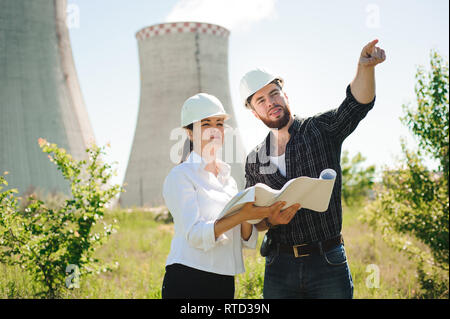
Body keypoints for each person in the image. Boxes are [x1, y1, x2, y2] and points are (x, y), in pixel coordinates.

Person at [239, 39, 386, 298]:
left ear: (285, 95)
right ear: (254, 112)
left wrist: (365, 68)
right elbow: (256, 221)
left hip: (327, 261)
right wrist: (270, 219)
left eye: (274, 93)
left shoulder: (320, 130)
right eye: (261, 100)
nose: (270, 102)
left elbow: (356, 105)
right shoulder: (254, 160)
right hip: (278, 266)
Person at [161, 93, 300, 299]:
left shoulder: (229, 180)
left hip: (224, 280)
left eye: (219, 124)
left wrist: (267, 217)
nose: (214, 130)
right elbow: (195, 234)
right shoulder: (181, 176)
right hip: (189, 278)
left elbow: (243, 239)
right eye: (206, 124)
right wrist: (242, 215)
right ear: (190, 133)